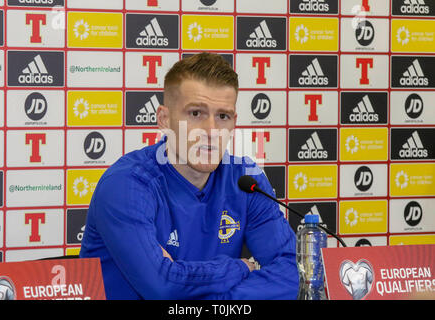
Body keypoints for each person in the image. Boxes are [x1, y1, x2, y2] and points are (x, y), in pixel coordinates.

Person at [79, 52, 299, 300]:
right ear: (164, 118)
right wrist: (238, 267)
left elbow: (294, 272)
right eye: (196, 113)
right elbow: (161, 286)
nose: (212, 131)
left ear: (234, 122)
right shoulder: (127, 184)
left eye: (223, 116)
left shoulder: (246, 180)